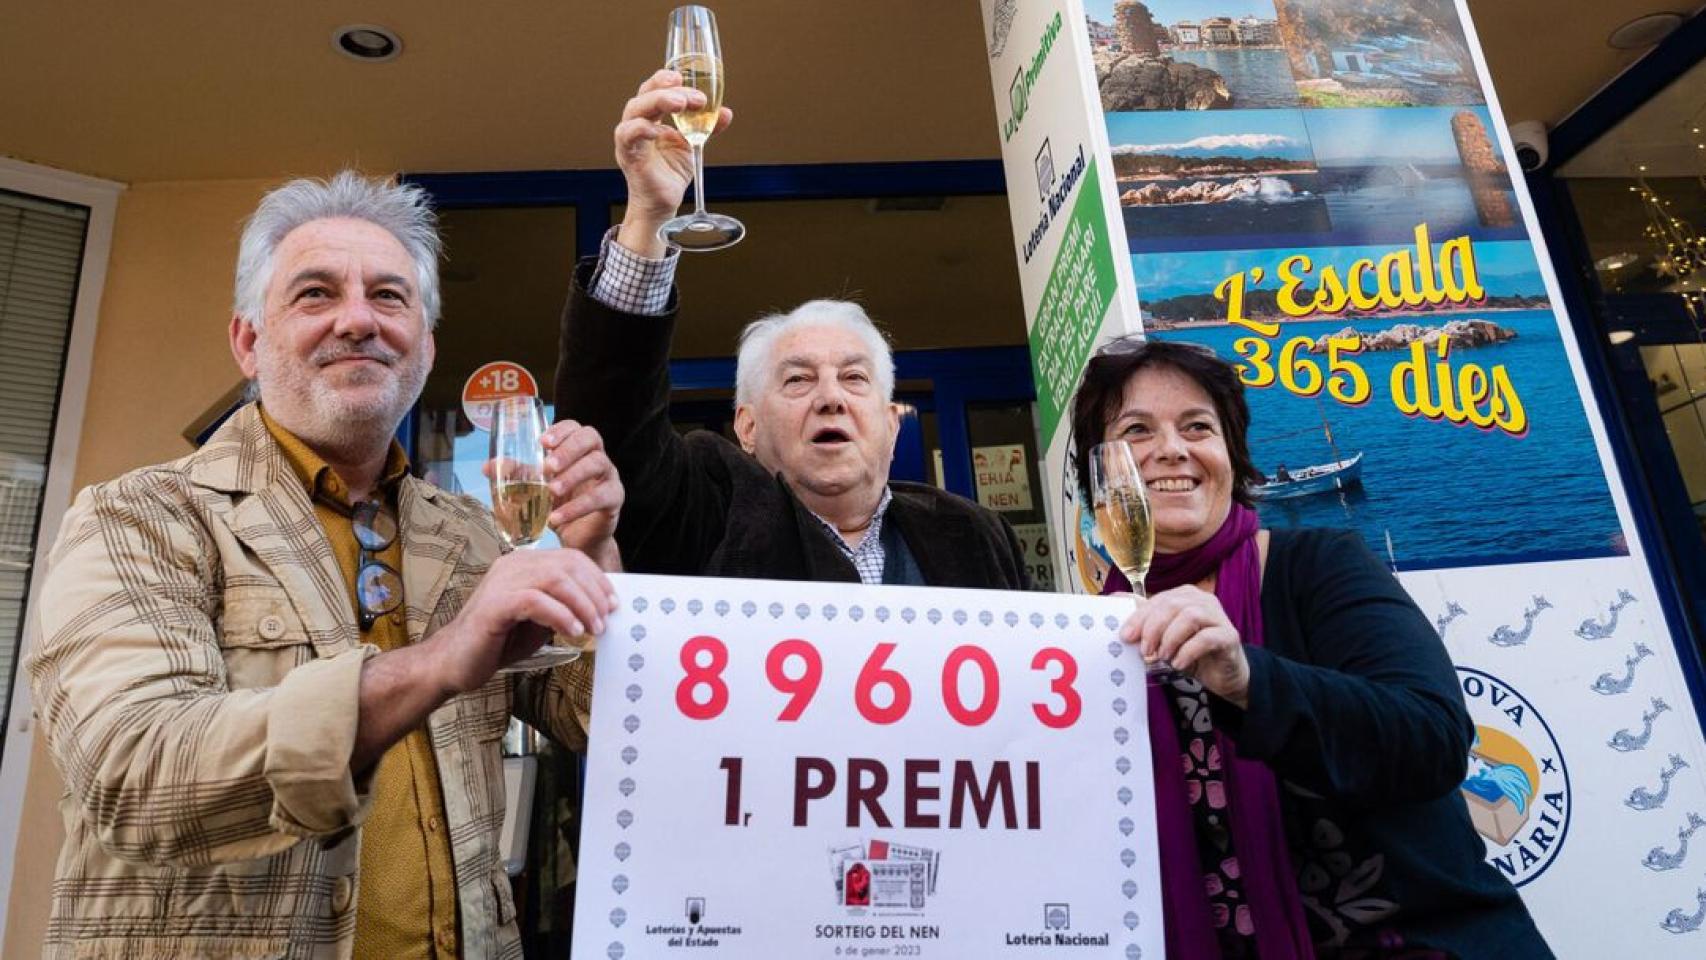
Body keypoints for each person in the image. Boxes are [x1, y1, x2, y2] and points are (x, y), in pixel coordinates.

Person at [28, 172, 622, 960]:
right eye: (315, 294)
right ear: (248, 340)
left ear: (426, 344)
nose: (358, 320)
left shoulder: (473, 536)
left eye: (389, 296)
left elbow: (598, 720)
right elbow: (138, 774)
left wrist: (593, 559)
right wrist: (441, 660)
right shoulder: (140, 516)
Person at [1069, 337, 1551, 959]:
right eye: (1137, 430)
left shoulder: (1320, 567)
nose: (1171, 448)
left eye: (1198, 426)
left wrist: (1248, 680)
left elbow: (1432, 740)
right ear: (1098, 477)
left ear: (1232, 458)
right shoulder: (1088, 637)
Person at [544, 70, 1027, 590]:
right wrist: (648, 215)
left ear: (891, 424)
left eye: (855, 378)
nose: (830, 399)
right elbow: (612, 442)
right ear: (746, 427)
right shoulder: (710, 510)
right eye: (797, 379)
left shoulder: (976, 536)